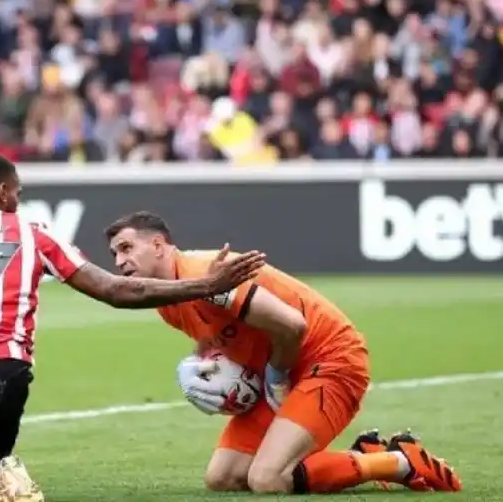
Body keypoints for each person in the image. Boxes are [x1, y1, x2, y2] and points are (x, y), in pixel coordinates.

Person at [0, 153, 266, 502]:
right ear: (3, 191)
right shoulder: (35, 235)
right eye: (18, 193)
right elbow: (115, 290)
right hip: (8, 378)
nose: (18, 201)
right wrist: (207, 286)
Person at [102, 211, 463, 495]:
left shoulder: (208, 276)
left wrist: (275, 379)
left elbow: (292, 326)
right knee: (223, 477)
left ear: (159, 245)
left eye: (127, 248)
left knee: (268, 479)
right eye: (115, 253)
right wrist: (203, 367)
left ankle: (399, 462)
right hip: (286, 367)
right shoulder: (168, 300)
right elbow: (214, 335)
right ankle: (364, 453)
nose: (119, 261)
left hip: (332, 360)